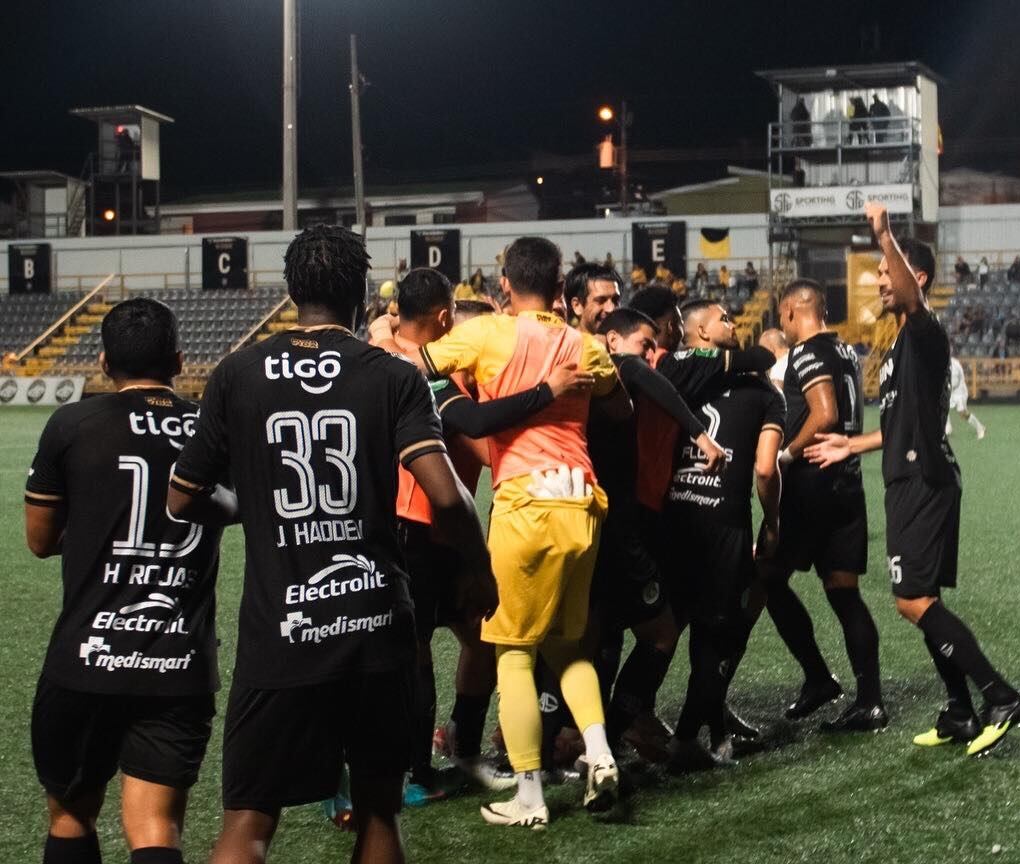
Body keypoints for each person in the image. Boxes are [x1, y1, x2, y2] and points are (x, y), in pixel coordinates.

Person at [170, 225, 497, 864]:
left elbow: (183, 497)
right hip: (376, 626)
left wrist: (248, 506)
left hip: (280, 632)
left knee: (248, 824)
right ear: (361, 296)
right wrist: (479, 570)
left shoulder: (238, 373)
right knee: (379, 815)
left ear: (293, 291)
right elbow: (449, 496)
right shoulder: (393, 376)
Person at [371, 236, 630, 828]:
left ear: (505, 286)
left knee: (511, 652)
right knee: (568, 647)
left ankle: (531, 797)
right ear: (562, 287)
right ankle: (601, 753)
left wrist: (386, 334)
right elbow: (618, 401)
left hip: (526, 502)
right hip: (584, 502)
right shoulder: (584, 346)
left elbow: (415, 364)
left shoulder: (488, 333)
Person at [806, 203, 1020, 759]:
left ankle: (1001, 697)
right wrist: (850, 443)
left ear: (915, 277)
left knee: (911, 601)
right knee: (921, 598)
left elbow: (907, 293)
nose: (879, 282)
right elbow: (901, 422)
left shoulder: (925, 330)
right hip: (912, 476)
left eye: (886, 274)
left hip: (923, 481)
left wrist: (883, 235)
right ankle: (959, 712)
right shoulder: (901, 344)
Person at [25, 297, 231, 864]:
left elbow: (40, 540)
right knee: (156, 828)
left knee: (71, 814)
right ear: (178, 360)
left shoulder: (72, 423)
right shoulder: (208, 429)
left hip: (87, 656)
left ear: (102, 361)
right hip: (177, 662)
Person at [587, 308, 725, 762]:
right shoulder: (621, 367)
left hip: (602, 521)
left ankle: (580, 737)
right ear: (613, 340)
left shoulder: (593, 369)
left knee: (602, 635)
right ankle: (608, 732)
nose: (651, 353)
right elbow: (644, 377)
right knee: (660, 633)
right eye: (645, 342)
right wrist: (700, 434)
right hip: (621, 526)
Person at [758, 279, 886, 732]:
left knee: (765, 577)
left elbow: (825, 412)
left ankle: (816, 677)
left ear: (792, 311)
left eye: (781, 316)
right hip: (847, 485)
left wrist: (786, 454)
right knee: (844, 592)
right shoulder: (848, 352)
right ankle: (869, 699)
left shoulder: (807, 353)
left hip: (811, 484)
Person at [663, 300, 785, 769]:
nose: (733, 323)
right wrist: (772, 522)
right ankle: (687, 738)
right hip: (723, 526)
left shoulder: (671, 378)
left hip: (670, 520)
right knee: (716, 635)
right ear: (701, 332)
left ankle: (610, 728)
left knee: (660, 633)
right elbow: (764, 470)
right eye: (724, 319)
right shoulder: (763, 393)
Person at [564, 262, 622, 335]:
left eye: (615, 300)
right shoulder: (563, 345)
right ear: (577, 305)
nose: (610, 309)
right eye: (601, 300)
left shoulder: (630, 344)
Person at [947, 355, 986, 440]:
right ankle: (948, 428)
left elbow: (957, 381)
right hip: (950, 390)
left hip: (959, 391)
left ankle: (980, 427)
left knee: (962, 413)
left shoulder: (955, 365)